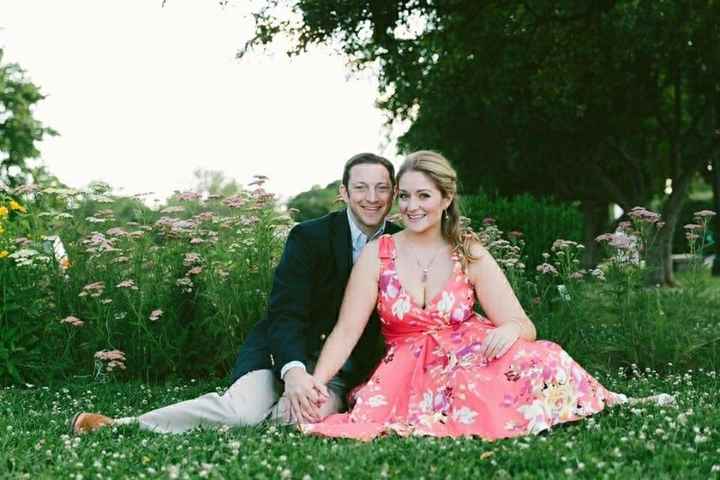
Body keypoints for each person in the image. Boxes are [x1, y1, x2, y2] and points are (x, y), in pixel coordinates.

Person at [301, 150, 673, 441]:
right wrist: (317, 382)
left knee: (544, 358)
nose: (412, 206)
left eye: (424, 195)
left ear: (446, 198)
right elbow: (346, 332)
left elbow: (521, 323)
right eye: (405, 196)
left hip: (472, 353)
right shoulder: (377, 254)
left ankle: (610, 400)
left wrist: (509, 331)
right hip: (410, 368)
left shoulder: (468, 250)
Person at [70, 152, 402, 434]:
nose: (371, 197)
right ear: (344, 193)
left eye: (381, 188)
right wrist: (295, 371)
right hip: (280, 358)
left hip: (339, 372)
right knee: (239, 413)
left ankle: (278, 411)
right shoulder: (309, 238)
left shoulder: (403, 244)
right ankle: (119, 424)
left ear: (393, 193)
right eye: (360, 187)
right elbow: (285, 313)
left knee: (302, 419)